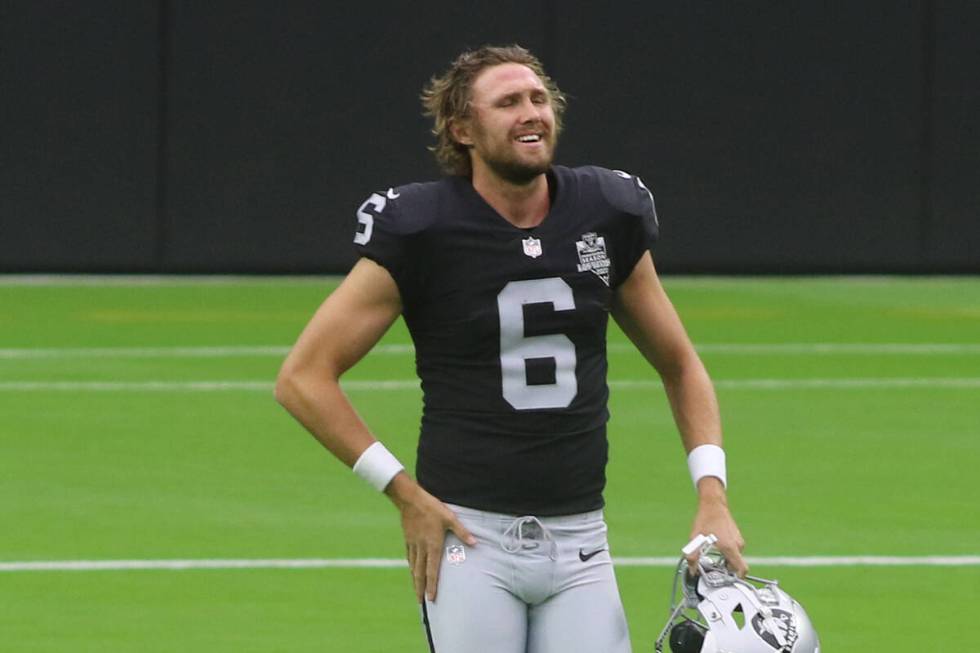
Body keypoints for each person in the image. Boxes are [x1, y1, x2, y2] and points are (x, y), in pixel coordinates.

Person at [275, 44, 746, 653]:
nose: (531, 113)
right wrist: (404, 494)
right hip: (471, 541)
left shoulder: (606, 212)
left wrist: (713, 496)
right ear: (462, 129)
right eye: (507, 103)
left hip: (582, 541)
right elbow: (303, 377)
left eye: (538, 99)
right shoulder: (424, 229)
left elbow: (680, 364)